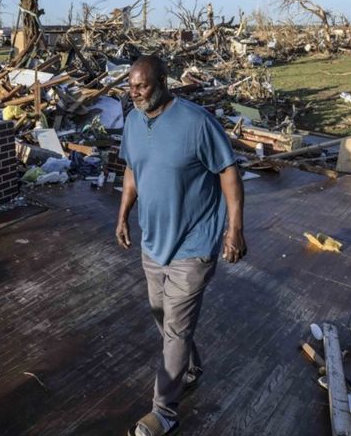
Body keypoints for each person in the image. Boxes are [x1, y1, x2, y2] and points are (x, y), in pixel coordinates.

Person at [116, 55, 246, 436]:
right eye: (131, 86)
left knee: (174, 329)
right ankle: (190, 368)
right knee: (163, 317)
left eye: (142, 86)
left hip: (194, 243)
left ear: (163, 82)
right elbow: (131, 168)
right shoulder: (133, 121)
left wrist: (234, 229)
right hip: (152, 241)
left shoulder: (196, 122)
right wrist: (123, 214)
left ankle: (164, 412)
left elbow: (229, 173)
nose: (135, 93)